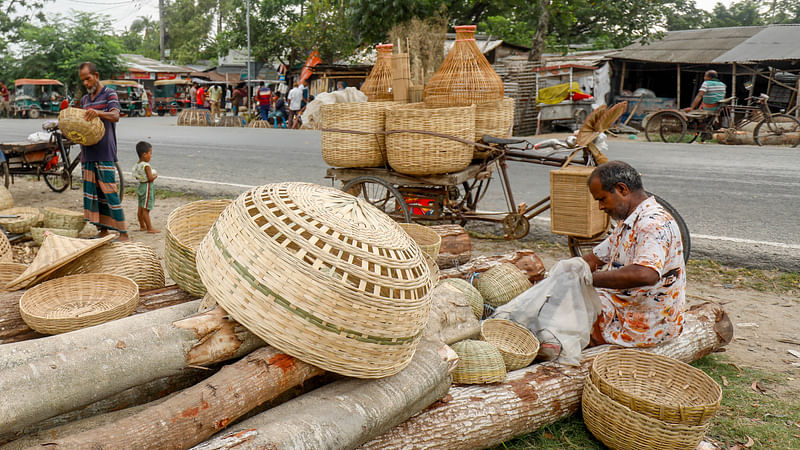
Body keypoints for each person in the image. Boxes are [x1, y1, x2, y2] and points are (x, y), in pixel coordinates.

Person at [582, 161, 685, 347]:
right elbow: (595, 257)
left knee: (568, 313)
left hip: (644, 325)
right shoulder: (629, 220)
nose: (600, 207)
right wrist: (565, 272)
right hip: (628, 306)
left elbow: (645, 274)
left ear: (622, 189)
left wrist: (588, 278)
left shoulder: (652, 224)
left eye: (602, 199)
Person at [78, 61, 129, 241]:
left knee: (110, 193)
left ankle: (123, 233)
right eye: (83, 80)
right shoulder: (85, 100)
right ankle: (103, 230)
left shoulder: (109, 94)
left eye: (88, 79)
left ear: (96, 76)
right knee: (94, 194)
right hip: (88, 152)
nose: (86, 83)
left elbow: (115, 116)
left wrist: (98, 113)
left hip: (105, 151)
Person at [132, 141, 159, 233]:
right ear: (144, 154)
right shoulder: (146, 166)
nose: (151, 155)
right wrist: (155, 176)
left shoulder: (137, 165)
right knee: (145, 209)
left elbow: (136, 176)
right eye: (150, 153)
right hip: (147, 187)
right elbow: (150, 178)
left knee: (140, 207)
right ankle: (149, 228)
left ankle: (142, 226)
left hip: (141, 186)